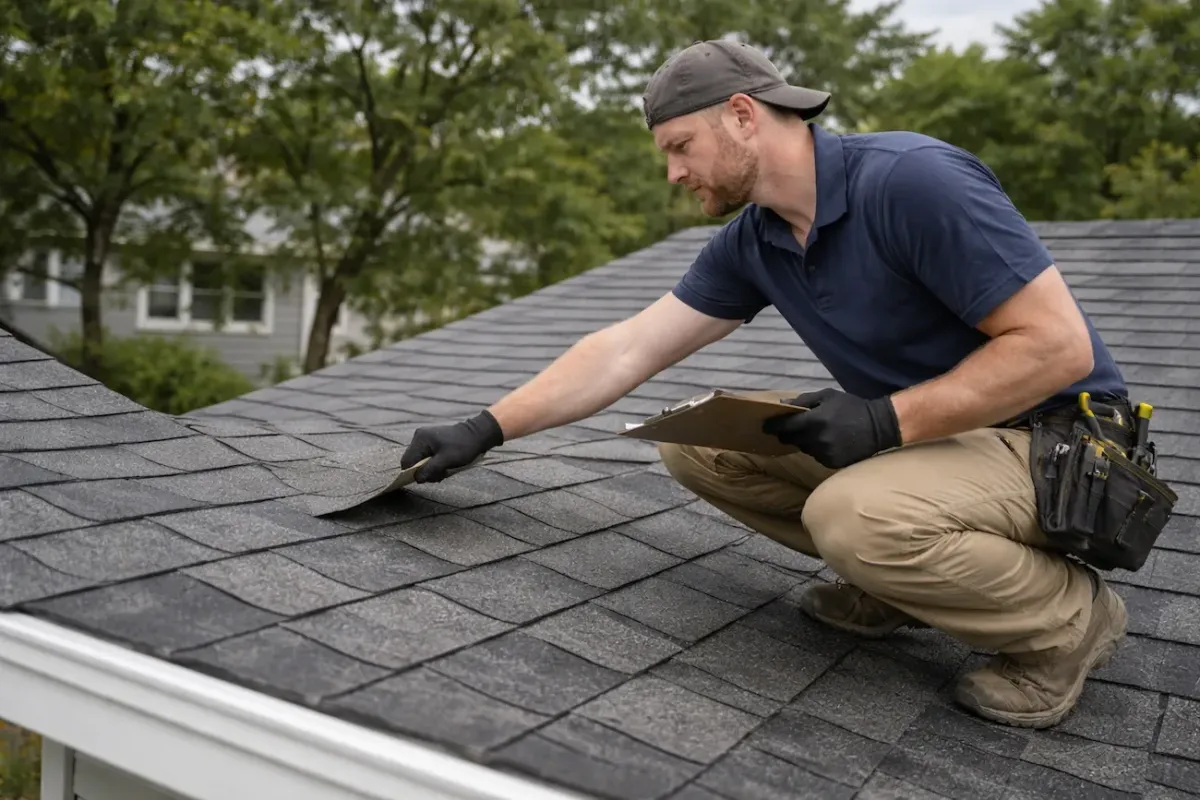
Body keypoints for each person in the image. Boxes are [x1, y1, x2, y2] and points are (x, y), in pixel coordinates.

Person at [400, 39, 1135, 729]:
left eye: (680, 147)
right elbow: (625, 349)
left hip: (1062, 445)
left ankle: (1069, 621)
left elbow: (1056, 346)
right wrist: (485, 427)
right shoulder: (759, 240)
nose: (674, 174)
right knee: (702, 441)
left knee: (855, 518)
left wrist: (885, 422)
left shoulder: (912, 182)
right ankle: (900, 586)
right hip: (946, 438)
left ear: (743, 116)